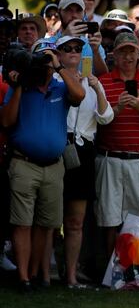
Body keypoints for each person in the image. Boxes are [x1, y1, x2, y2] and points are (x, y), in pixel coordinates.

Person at [1, 40, 85, 292]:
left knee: (47, 224)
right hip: (23, 163)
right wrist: (18, 86)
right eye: (39, 59)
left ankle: (40, 275)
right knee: (23, 223)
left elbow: (79, 95)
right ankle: (24, 277)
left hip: (53, 166)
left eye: (47, 60)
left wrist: (59, 68)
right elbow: (6, 120)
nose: (43, 66)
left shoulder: (61, 88)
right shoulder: (20, 88)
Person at [95, 33, 139, 256]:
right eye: (122, 51)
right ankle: (111, 274)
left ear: (138, 53)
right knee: (109, 217)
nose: (127, 56)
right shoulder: (103, 82)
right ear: (114, 54)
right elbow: (98, 123)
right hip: (109, 158)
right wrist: (118, 108)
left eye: (131, 51)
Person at [57, 36, 114, 288]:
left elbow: (106, 117)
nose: (72, 52)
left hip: (84, 149)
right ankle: (45, 271)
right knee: (50, 218)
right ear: (58, 53)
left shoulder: (93, 82)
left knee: (76, 220)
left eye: (77, 49)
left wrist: (97, 87)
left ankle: (70, 275)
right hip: (59, 146)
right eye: (66, 48)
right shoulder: (55, 79)